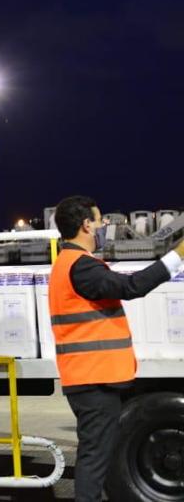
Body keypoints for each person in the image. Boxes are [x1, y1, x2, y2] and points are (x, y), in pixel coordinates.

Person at [49, 195, 184, 502]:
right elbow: (131, 287)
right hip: (92, 380)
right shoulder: (80, 266)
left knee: (96, 454)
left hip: (92, 378)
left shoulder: (72, 263)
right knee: (95, 458)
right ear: (86, 225)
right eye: (100, 221)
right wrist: (178, 255)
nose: (103, 227)